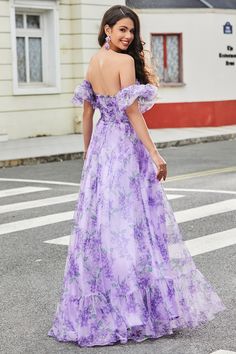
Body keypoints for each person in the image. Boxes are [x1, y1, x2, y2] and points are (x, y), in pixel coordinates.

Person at [48, 4, 225, 347]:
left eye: (131, 30)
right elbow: (132, 113)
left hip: (102, 149)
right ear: (107, 30)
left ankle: (104, 309)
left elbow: (88, 113)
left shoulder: (94, 60)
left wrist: (89, 154)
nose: (128, 36)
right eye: (122, 30)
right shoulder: (125, 62)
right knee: (132, 225)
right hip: (125, 150)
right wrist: (154, 154)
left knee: (103, 229)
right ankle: (134, 312)